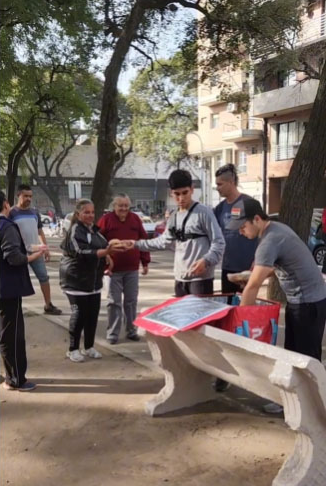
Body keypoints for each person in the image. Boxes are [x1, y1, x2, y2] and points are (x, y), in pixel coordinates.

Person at [227, 198, 326, 413]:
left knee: (307, 360)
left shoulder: (269, 241)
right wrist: (250, 277)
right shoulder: (274, 229)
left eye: (243, 226)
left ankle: (315, 410)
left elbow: (253, 287)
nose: (240, 232)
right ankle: (291, 401)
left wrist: (241, 324)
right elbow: (277, 268)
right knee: (293, 354)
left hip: (309, 302)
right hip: (304, 300)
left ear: (256, 219)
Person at [126, 169, 225, 297]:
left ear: (192, 189)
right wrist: (134, 244)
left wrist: (206, 261)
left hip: (200, 280)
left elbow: (219, 242)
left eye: (185, 193)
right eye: (176, 194)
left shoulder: (204, 213)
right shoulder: (174, 217)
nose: (181, 198)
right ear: (171, 193)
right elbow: (163, 242)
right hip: (180, 278)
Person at [60, 199, 123, 362]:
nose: (90, 215)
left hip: (93, 281)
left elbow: (101, 246)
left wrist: (108, 256)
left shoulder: (94, 230)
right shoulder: (74, 230)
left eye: (92, 212)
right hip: (75, 279)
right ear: (78, 214)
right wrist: (104, 252)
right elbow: (80, 252)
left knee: (92, 315)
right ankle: (73, 349)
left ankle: (89, 347)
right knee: (79, 314)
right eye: (86, 212)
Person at [213, 163, 258, 392]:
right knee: (228, 319)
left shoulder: (250, 204)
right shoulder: (219, 209)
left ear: (231, 182)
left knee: (247, 319)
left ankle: (251, 370)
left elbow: (262, 234)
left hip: (250, 272)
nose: (217, 187)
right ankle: (226, 373)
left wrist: (256, 266)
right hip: (227, 271)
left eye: (220, 184)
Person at [0, 191, 46, 391]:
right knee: (12, 334)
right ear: (6, 204)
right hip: (8, 288)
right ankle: (15, 378)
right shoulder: (6, 226)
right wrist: (35, 255)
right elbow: (14, 258)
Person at [97, 194, 151, 345]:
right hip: (112, 270)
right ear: (114, 206)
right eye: (120, 206)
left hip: (132, 268)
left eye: (126, 205)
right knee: (114, 302)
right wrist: (104, 257)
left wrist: (145, 262)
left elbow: (143, 240)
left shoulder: (135, 219)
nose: (124, 209)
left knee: (131, 301)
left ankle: (131, 330)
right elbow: (95, 239)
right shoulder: (105, 220)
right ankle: (113, 333)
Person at [9, 184, 62, 315]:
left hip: (36, 251)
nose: (28, 198)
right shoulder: (11, 213)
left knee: (44, 277)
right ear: (18, 195)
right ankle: (14, 307)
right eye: (25, 196)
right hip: (19, 252)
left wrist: (46, 248)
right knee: (16, 280)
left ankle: (48, 305)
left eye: (30, 196)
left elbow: (40, 231)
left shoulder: (34, 212)